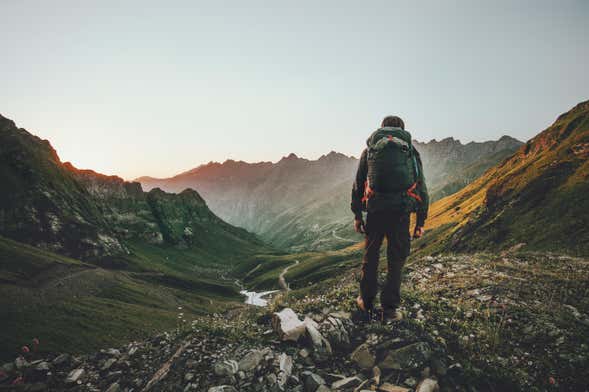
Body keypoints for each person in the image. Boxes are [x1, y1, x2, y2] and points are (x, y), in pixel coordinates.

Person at [351, 115, 429, 322]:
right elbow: (421, 187)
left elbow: (358, 185)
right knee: (396, 260)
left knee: (371, 256)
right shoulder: (411, 152)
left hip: (376, 211)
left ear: (382, 128)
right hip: (401, 213)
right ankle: (390, 309)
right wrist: (420, 222)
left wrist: (358, 215)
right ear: (402, 130)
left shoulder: (370, 152)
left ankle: (366, 301)